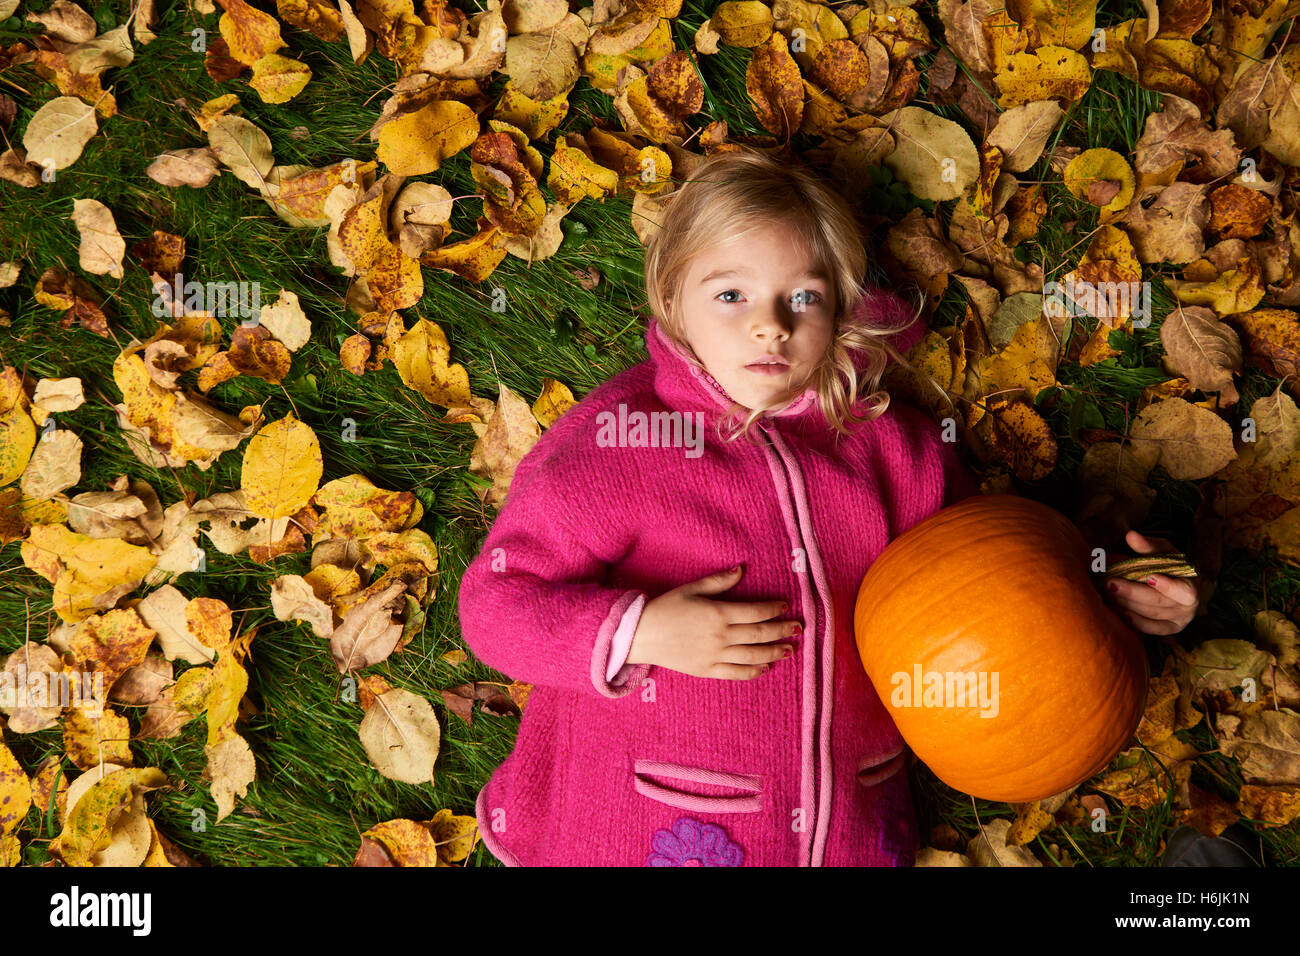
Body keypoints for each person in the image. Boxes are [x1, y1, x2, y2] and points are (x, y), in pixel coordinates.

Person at [456, 148, 1200, 866]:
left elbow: (1006, 576)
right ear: (671, 299)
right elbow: (496, 607)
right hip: (646, 828)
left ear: (841, 306)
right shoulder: (623, 442)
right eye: (730, 294)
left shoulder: (892, 450)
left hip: (849, 829)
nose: (770, 324)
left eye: (802, 297)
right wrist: (641, 632)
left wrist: (1109, 586)